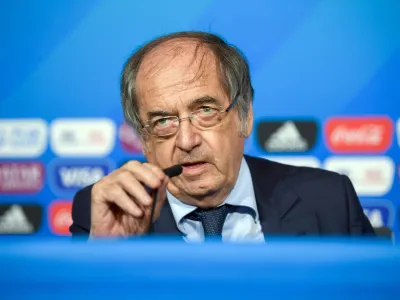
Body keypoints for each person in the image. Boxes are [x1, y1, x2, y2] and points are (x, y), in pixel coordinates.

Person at [69, 31, 374, 241]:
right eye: (163, 121)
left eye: (205, 110)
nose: (187, 141)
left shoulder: (330, 200)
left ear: (245, 115)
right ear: (145, 140)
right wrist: (108, 258)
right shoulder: (105, 212)